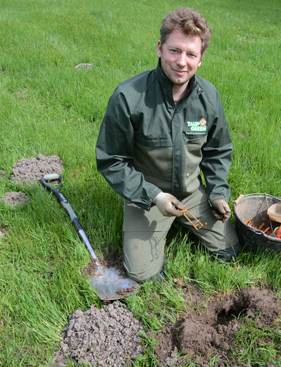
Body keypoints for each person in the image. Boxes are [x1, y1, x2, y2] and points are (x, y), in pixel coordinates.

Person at [96, 7, 241, 283]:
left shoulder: (208, 97)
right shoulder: (128, 97)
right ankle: (158, 226)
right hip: (148, 196)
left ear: (201, 58)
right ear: (160, 48)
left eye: (191, 54)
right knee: (143, 275)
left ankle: (186, 222)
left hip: (191, 192)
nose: (181, 62)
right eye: (175, 51)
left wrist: (218, 193)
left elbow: (218, 151)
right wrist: (155, 197)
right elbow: (112, 160)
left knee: (231, 251)